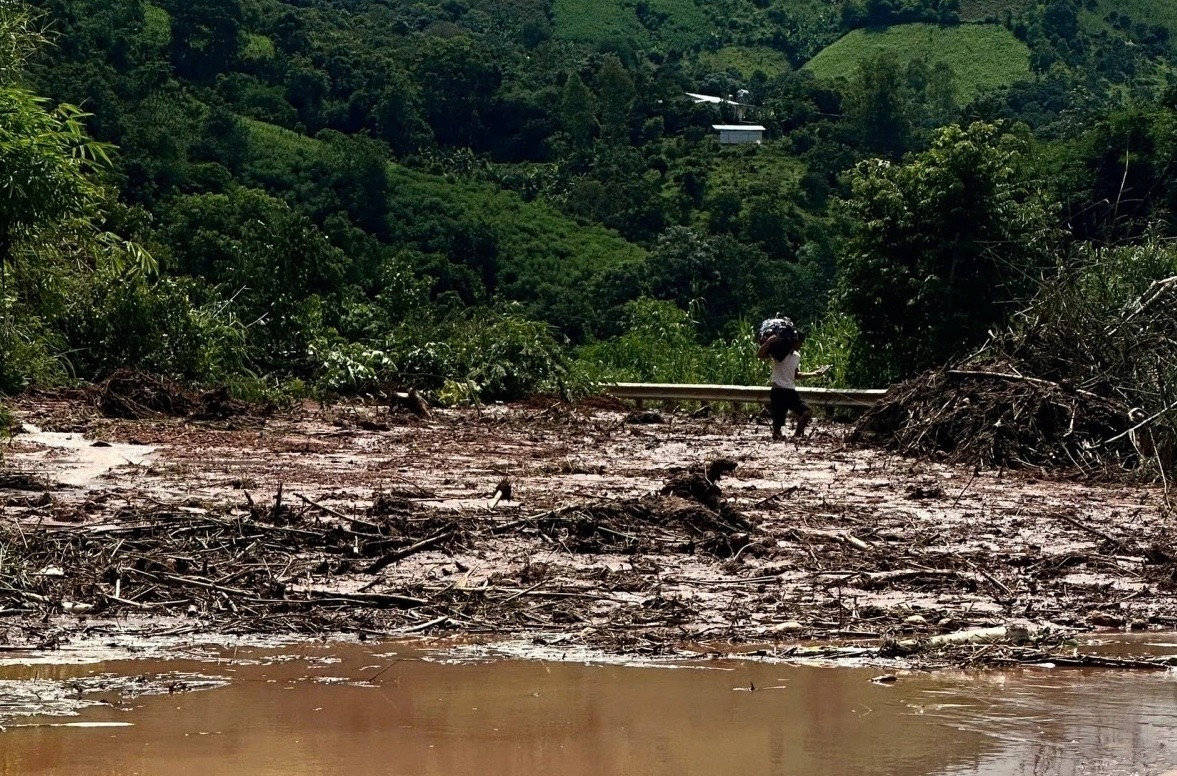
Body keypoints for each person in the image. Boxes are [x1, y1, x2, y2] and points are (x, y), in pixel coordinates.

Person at [757, 331, 829, 440]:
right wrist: (769, 341)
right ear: (794, 341)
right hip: (778, 391)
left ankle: (797, 435)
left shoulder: (796, 356)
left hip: (790, 391)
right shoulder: (779, 353)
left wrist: (814, 374)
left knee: (806, 412)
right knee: (777, 425)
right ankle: (780, 436)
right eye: (800, 342)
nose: (801, 345)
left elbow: (795, 375)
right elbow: (760, 354)